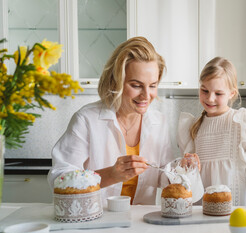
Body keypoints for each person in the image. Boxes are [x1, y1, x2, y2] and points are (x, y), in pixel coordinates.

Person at [48, 36, 173, 205]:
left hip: (139, 224)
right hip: (96, 220)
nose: (146, 95)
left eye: (152, 85)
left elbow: (164, 176)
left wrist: (184, 170)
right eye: (136, 85)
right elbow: (58, 179)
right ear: (115, 81)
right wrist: (110, 175)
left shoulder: (159, 122)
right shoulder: (86, 119)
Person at [177, 57, 246, 215]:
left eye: (218, 93)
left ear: (232, 93)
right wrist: (185, 167)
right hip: (199, 209)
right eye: (205, 91)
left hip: (232, 208)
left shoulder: (242, 121)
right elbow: (188, 175)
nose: (210, 98)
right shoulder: (192, 126)